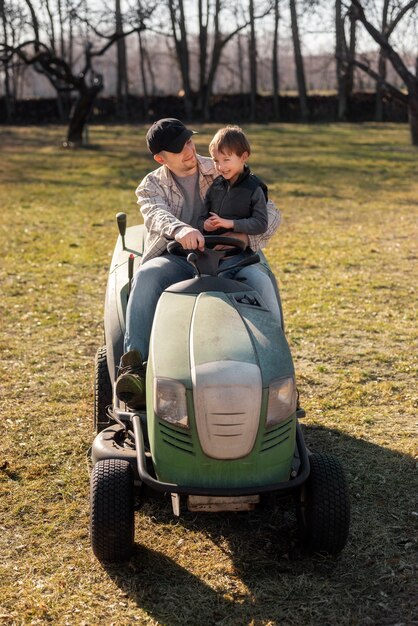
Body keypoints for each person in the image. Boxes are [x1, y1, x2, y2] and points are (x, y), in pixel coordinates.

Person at [115, 118, 282, 409]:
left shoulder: (219, 166)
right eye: (179, 149)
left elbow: (272, 213)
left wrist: (240, 234)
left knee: (262, 283)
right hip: (179, 257)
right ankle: (135, 369)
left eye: (190, 142)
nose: (189, 151)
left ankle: (278, 372)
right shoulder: (151, 185)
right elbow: (155, 214)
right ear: (160, 158)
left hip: (232, 257)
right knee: (145, 278)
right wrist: (181, 229)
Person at [199, 125, 268, 237]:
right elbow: (202, 217)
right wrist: (204, 224)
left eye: (226, 160)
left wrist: (230, 224)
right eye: (216, 160)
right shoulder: (215, 185)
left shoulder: (254, 188)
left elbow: (261, 224)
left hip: (239, 248)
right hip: (211, 243)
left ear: (243, 157)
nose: (220, 167)